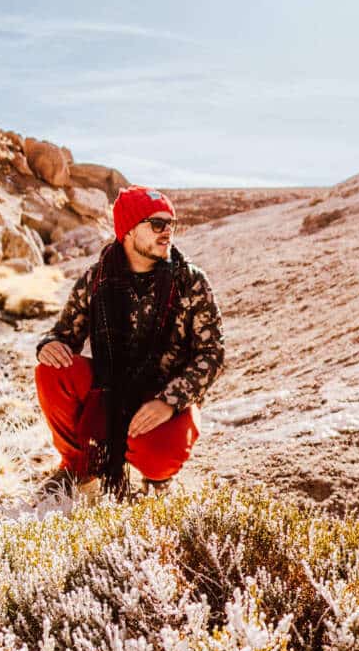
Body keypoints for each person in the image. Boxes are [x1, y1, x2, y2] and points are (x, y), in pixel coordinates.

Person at [34, 184, 225, 497]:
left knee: (160, 455)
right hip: (110, 387)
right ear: (128, 231)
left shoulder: (190, 281)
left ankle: (157, 479)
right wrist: (50, 344)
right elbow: (64, 333)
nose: (167, 233)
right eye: (157, 225)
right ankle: (78, 467)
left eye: (171, 225)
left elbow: (212, 354)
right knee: (51, 371)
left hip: (164, 395)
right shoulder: (97, 278)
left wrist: (170, 400)